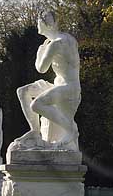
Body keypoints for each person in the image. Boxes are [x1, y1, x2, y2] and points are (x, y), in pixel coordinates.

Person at [12, 11, 82, 151]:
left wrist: (40, 52)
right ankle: (35, 132)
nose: (37, 24)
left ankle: (71, 130)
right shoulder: (68, 38)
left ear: (44, 25)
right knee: (23, 91)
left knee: (36, 105)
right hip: (62, 85)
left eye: (39, 22)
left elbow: (41, 68)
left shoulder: (54, 45)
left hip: (68, 88)